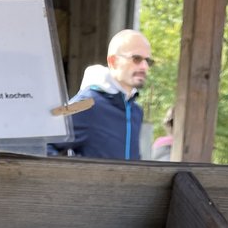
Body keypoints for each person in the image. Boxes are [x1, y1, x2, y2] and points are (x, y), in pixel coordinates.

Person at [51, 29, 152, 160]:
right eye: (136, 59)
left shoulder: (136, 111)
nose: (144, 66)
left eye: (148, 61)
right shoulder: (85, 104)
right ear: (113, 61)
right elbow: (41, 143)